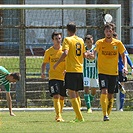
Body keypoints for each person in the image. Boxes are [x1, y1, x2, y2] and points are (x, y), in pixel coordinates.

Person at [89, 23, 128, 121]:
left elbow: (124, 56)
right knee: (104, 91)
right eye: (106, 31)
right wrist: (90, 56)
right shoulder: (99, 43)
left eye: (110, 31)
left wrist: (125, 67)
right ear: (104, 32)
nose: (108, 33)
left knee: (111, 96)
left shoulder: (118, 43)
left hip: (114, 73)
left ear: (113, 32)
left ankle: (107, 114)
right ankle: (105, 114)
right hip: (102, 72)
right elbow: (94, 53)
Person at [53, 22, 90, 122]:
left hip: (71, 70)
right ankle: (78, 116)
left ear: (68, 30)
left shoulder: (67, 39)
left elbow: (65, 53)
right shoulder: (81, 40)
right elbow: (84, 54)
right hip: (80, 69)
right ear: (76, 30)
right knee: (76, 93)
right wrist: (89, 55)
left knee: (71, 92)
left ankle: (79, 116)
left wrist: (57, 63)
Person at [41, 31, 67, 122]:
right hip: (53, 77)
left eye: (59, 38)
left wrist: (66, 69)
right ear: (53, 40)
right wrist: (42, 72)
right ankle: (58, 115)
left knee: (62, 97)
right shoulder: (49, 51)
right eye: (56, 39)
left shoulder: (64, 51)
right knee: (56, 95)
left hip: (63, 77)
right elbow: (44, 63)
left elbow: (68, 62)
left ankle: (59, 113)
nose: (58, 40)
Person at [113, 32, 133, 111]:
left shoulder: (120, 46)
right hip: (112, 69)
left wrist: (131, 66)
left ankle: (121, 107)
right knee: (115, 87)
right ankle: (116, 106)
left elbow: (126, 57)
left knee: (122, 88)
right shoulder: (108, 46)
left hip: (120, 69)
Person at [83, 35, 99, 113]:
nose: (89, 43)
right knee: (86, 88)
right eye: (87, 42)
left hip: (94, 72)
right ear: (85, 42)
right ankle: (89, 108)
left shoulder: (96, 49)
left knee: (93, 91)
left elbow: (94, 56)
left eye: (90, 42)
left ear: (93, 41)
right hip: (86, 72)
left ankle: (88, 100)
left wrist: (91, 55)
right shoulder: (83, 49)